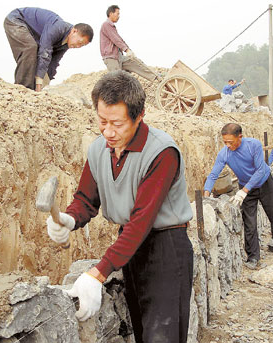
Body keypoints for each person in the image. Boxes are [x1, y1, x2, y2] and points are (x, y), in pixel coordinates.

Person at [46, 71, 193, 342]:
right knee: (143, 332)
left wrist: (98, 272)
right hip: (131, 248)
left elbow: (141, 220)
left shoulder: (161, 152)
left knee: (162, 336)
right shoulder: (98, 150)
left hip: (167, 248)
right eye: (102, 121)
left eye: (117, 123)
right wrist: (69, 218)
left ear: (139, 116)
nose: (108, 132)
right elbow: (86, 199)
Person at [204, 123, 273, 270]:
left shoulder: (253, 145)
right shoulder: (224, 153)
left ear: (240, 136)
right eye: (224, 142)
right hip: (246, 188)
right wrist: (206, 196)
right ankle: (253, 257)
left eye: (230, 142)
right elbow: (213, 175)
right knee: (250, 223)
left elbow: (259, 170)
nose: (227, 145)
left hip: (264, 183)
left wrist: (244, 191)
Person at [4, 7, 93, 91]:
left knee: (40, 58)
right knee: (30, 48)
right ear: (74, 31)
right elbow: (44, 53)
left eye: (82, 45)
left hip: (32, 33)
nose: (78, 46)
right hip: (16, 20)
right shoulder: (58, 27)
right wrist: (38, 86)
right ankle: (22, 89)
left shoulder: (65, 43)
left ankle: (31, 90)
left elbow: (53, 63)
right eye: (80, 42)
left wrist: (44, 87)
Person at [100, 5, 159, 82]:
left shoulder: (111, 26)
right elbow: (116, 39)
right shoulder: (106, 24)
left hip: (118, 56)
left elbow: (120, 39)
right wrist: (126, 50)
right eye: (117, 14)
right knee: (117, 80)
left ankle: (155, 77)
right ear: (111, 13)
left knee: (133, 61)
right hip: (111, 58)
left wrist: (129, 51)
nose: (119, 16)